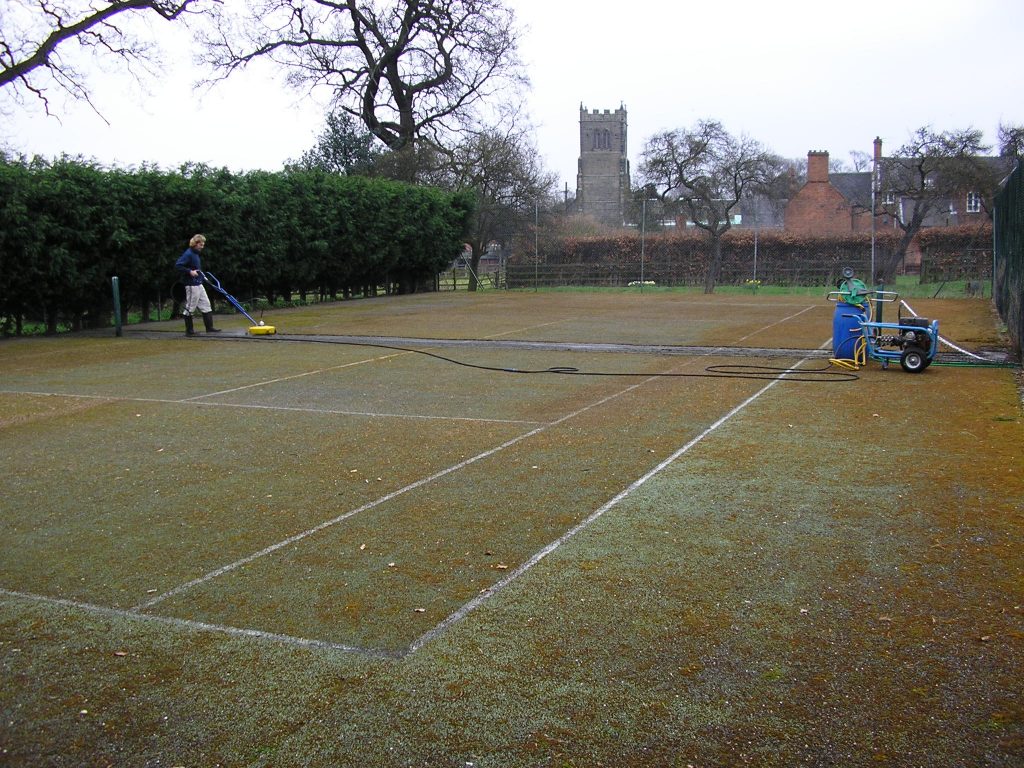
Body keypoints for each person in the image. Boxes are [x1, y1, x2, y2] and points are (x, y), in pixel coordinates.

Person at [174, 234, 220, 336]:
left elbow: (196, 267)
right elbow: (178, 265)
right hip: (191, 285)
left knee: (206, 305)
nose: (202, 247)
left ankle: (210, 328)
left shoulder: (195, 254)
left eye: (203, 244)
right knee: (190, 307)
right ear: (195, 244)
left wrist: (201, 276)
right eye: (201, 244)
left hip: (198, 283)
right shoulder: (188, 254)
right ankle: (189, 331)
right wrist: (189, 271)